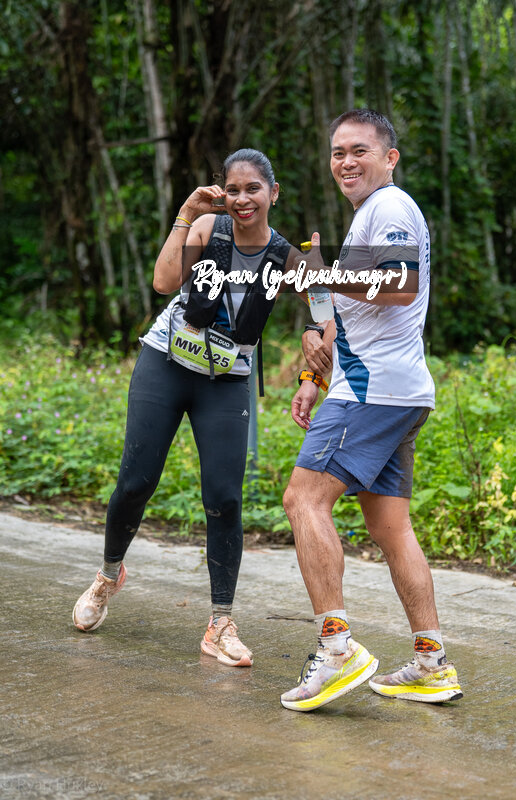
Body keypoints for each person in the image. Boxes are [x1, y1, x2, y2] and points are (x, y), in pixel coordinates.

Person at [73, 148, 293, 668]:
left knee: (224, 497)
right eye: (232, 189)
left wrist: (312, 354)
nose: (242, 199)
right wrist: (186, 215)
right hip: (166, 362)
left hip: (226, 380)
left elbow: (327, 305)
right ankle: (108, 575)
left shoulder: (286, 257)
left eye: (253, 189)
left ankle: (220, 623)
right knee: (136, 481)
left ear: (273, 193)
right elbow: (164, 282)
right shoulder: (209, 229)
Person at [280, 110, 463, 711]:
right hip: (394, 391)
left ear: (390, 157)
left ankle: (337, 649)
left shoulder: (390, 206)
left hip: (371, 393)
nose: (346, 161)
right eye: (338, 152)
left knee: (304, 500)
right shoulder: (369, 217)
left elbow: (399, 284)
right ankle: (432, 664)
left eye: (359, 150)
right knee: (390, 528)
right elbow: (353, 313)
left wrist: (323, 271)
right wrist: (313, 375)